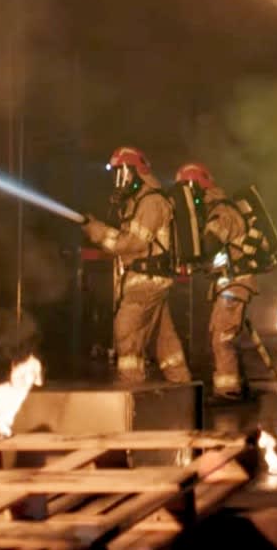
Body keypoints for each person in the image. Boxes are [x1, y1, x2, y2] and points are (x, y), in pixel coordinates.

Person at [82, 146, 191, 384]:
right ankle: (182, 386)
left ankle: (130, 388)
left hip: (146, 279)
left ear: (136, 172)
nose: (118, 180)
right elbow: (129, 239)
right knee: (164, 342)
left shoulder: (151, 202)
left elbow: (133, 243)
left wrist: (99, 234)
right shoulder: (140, 202)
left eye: (122, 173)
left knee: (126, 331)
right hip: (149, 278)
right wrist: (98, 228)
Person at [174, 162, 259, 401]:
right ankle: (238, 386)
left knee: (222, 338)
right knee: (224, 335)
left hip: (235, 284)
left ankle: (228, 390)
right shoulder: (216, 211)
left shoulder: (221, 213)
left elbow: (209, 245)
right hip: (229, 283)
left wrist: (189, 248)